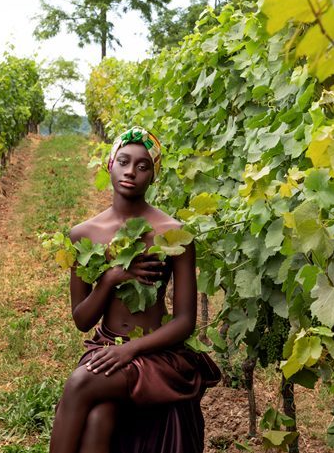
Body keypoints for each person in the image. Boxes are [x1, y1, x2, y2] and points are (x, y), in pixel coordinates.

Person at [49, 126, 220, 453]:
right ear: (109, 164)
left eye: (143, 166)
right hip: (105, 347)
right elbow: (81, 320)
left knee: (79, 382)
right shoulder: (83, 234)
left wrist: (129, 351)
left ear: (154, 176)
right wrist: (110, 279)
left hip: (156, 355)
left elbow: (185, 322)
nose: (131, 171)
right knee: (99, 419)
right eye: (124, 161)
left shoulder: (173, 233)